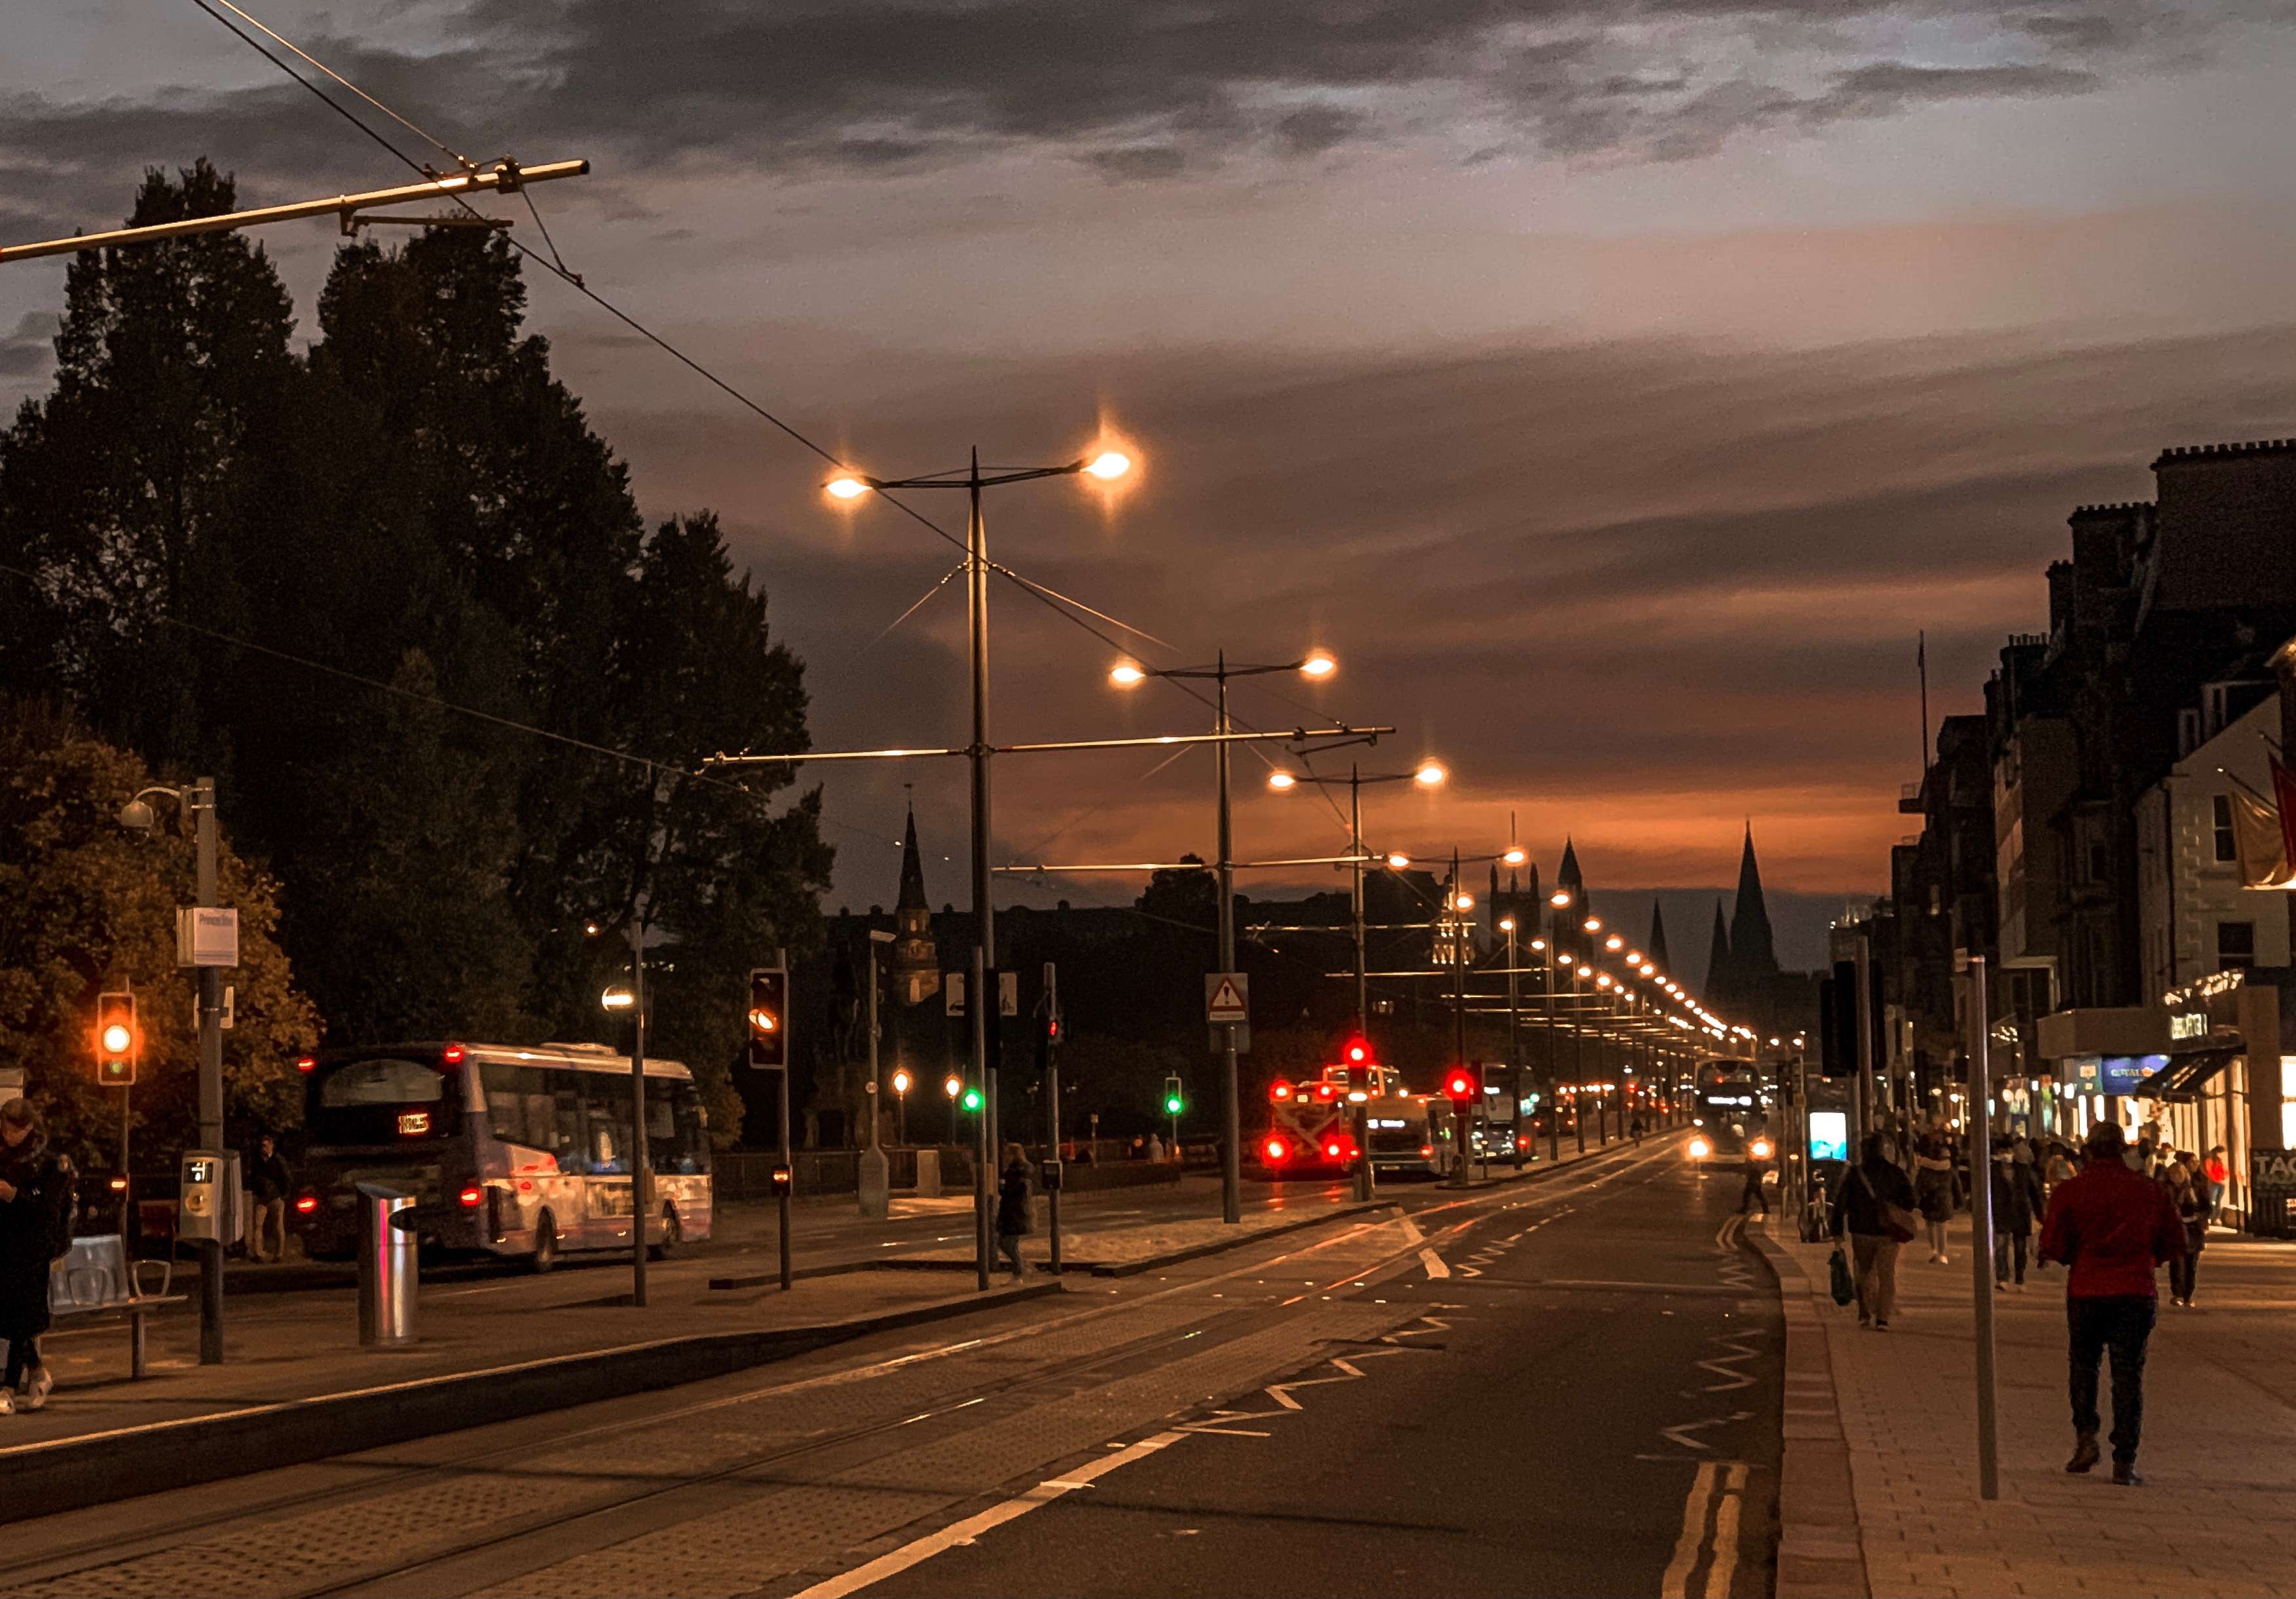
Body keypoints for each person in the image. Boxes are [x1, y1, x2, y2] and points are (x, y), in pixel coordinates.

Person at [2038, 1120, 2184, 1486]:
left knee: (2084, 1366)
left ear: (2088, 1150)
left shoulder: (2071, 1191)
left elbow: (2053, 1244)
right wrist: (2149, 1259)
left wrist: (2076, 1255)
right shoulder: (2148, 1191)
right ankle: (2125, 1459)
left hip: (2087, 1290)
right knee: (2128, 1373)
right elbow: (2174, 1239)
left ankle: (2086, 1437)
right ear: (2123, 1150)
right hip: (2135, 1291)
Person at [0, 1099, 72, 1414]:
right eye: (5, 1127)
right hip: (2, 1243)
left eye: (16, 1129)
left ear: (29, 1127)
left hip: (32, 1248)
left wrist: (14, 1195)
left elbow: (49, 1211)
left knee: (20, 1314)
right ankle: (39, 1373)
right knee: (11, 1313)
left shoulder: (48, 1161)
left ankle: (7, 1387)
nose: (9, 1134)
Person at [1832, 1131, 1917, 1330]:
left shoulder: (1855, 1174)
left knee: (1864, 1272)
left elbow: (1840, 1203)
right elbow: (1910, 1202)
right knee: (1887, 1275)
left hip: (1861, 1231)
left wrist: (1837, 1230)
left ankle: (1864, 1313)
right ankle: (1883, 1318)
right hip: (1888, 1232)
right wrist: (1893, 1207)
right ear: (1883, 1151)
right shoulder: (1895, 1173)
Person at [1991, 1140, 2045, 1290]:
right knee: (2001, 1246)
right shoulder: (1993, 1171)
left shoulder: (2023, 1170)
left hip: (2020, 1213)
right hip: (2002, 1213)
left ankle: (2020, 1278)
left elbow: (2034, 1193)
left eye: (2007, 1152)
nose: (2005, 1156)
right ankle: (2002, 1278)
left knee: (2020, 1248)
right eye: (2002, 1153)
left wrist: (2040, 1215)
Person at [2162, 1151, 2212, 1308]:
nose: (2176, 1176)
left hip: (2193, 1229)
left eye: (2179, 1173)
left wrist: (2199, 1217)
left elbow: (2206, 1206)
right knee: (2177, 1263)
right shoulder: (2166, 1189)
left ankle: (2188, 1295)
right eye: (2173, 1173)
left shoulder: (2194, 1188)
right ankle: (2177, 1293)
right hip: (2176, 1229)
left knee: (2191, 1264)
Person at [245, 1133, 293, 1264]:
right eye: (262, 1146)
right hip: (262, 1197)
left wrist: (284, 1194)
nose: (263, 1148)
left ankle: (279, 1254)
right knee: (258, 1226)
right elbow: (252, 1177)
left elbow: (286, 1177)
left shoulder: (278, 1160)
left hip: (276, 1198)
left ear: (272, 1146)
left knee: (278, 1226)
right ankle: (259, 1253)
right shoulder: (257, 1161)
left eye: (266, 1145)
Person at [1914, 1126, 1954, 1264]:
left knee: (1930, 1225)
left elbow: (1918, 1185)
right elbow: (1956, 1185)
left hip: (1928, 1198)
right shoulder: (1948, 1168)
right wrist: (1960, 1201)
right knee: (1942, 1226)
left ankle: (1933, 1251)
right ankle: (1943, 1254)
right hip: (1944, 1198)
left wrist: (1915, 1199)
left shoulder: (1925, 1168)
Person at [994, 1142, 1033, 1279]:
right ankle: (1020, 1268)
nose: (1005, 1156)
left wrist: (1003, 1187)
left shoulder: (1016, 1171)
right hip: (1012, 1212)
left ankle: (1019, 1268)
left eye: (1007, 1153)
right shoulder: (1017, 1170)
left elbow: (1014, 1192)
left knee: (1006, 1243)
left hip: (1013, 1213)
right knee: (1008, 1243)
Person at [1739, 1143, 1771, 1217]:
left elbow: (1757, 1169)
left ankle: (1745, 1209)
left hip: (1754, 1181)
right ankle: (1765, 1209)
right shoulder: (1753, 1159)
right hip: (1754, 1180)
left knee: (1748, 1195)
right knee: (1757, 1195)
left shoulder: (1755, 1159)